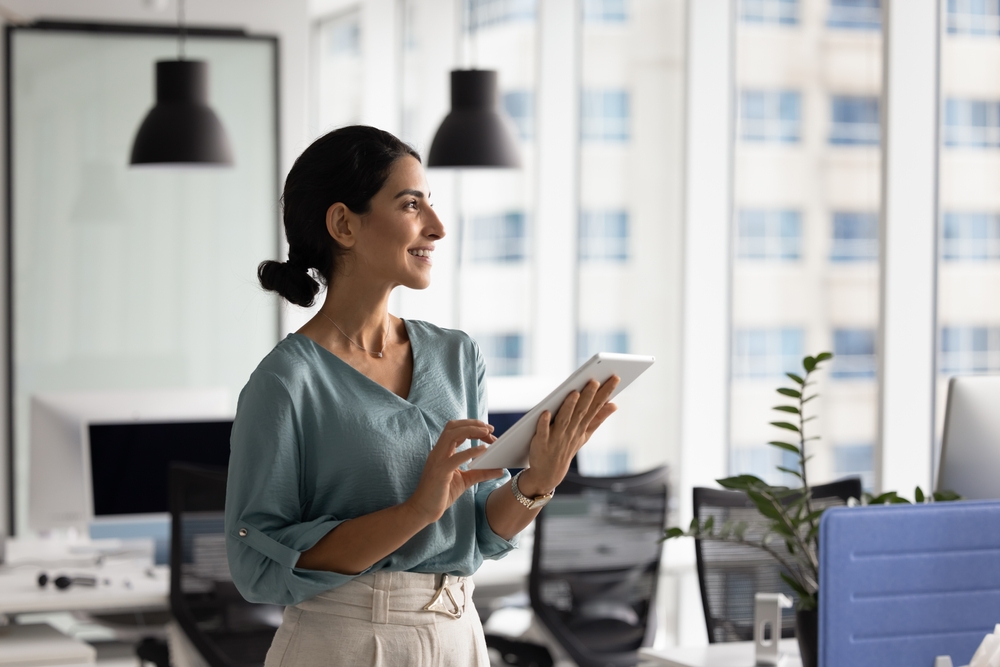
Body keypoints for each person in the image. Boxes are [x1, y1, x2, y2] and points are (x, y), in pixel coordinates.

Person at [224, 125, 620, 667]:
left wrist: (538, 482)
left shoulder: (458, 356)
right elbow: (257, 564)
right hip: (344, 641)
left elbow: (479, 528)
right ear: (343, 223)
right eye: (412, 205)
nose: (436, 227)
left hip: (459, 635)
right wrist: (417, 511)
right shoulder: (286, 382)